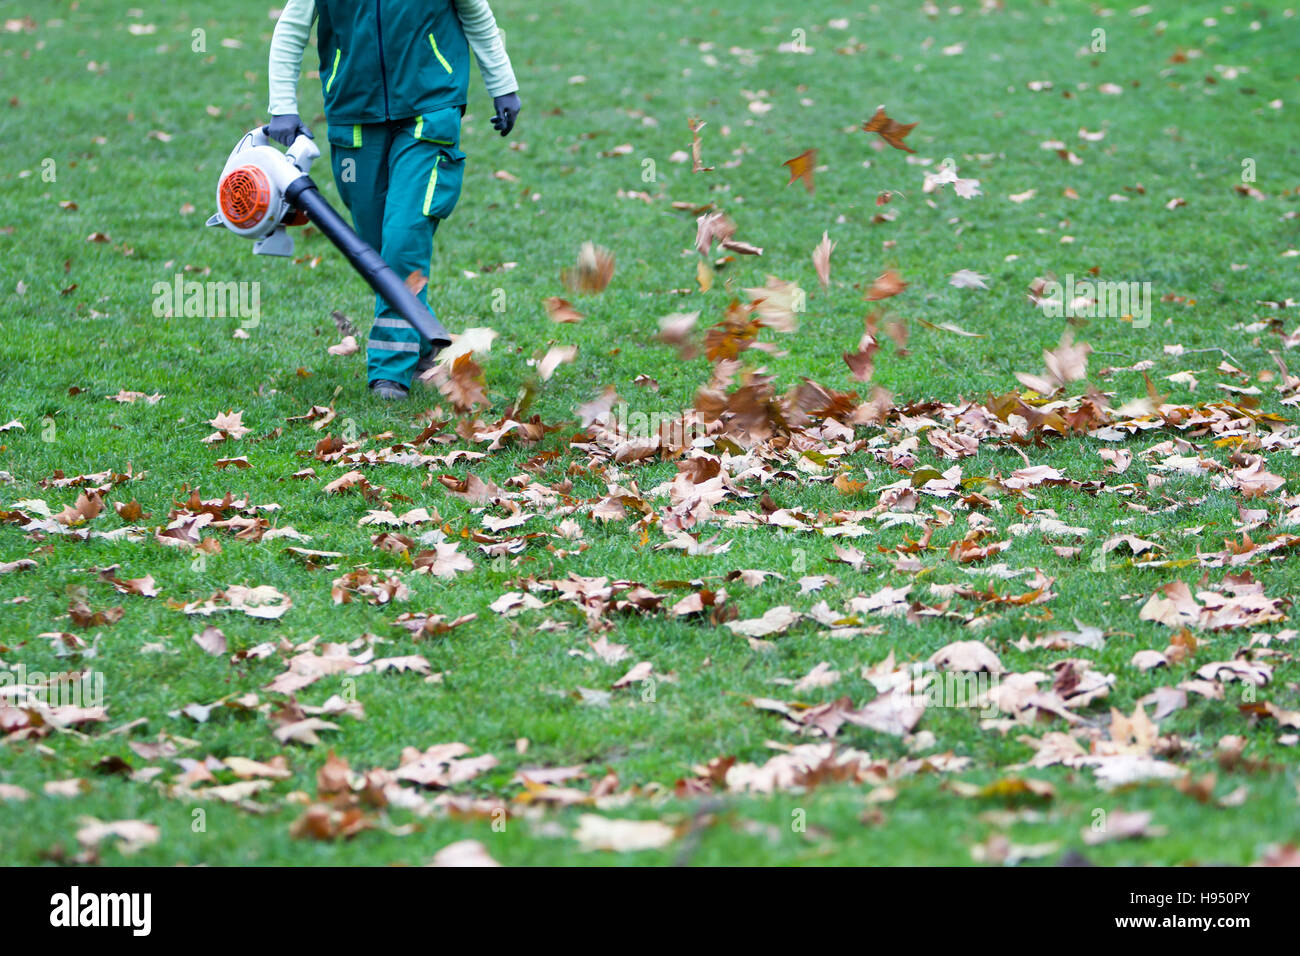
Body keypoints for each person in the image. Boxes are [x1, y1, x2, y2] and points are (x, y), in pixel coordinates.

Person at [265, 0, 521, 400]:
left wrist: (502, 84)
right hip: (353, 112)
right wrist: (282, 106)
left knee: (405, 234)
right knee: (377, 252)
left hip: (430, 107)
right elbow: (292, 27)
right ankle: (423, 335)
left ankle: (389, 371)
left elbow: (476, 12)